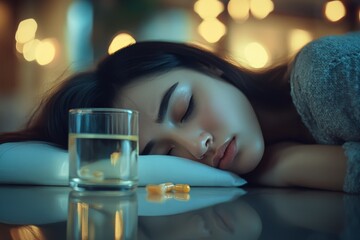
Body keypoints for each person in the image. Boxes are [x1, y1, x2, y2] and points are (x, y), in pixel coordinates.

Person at [0, 32, 359, 193]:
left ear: (208, 67)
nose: (195, 146)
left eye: (184, 108)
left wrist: (288, 164)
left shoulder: (324, 73)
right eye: (167, 153)